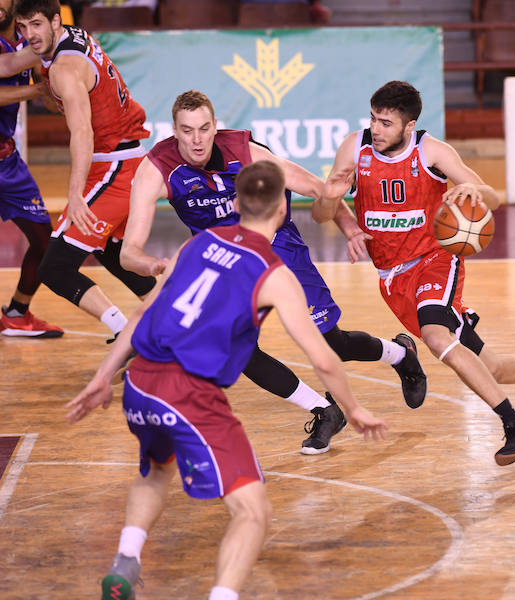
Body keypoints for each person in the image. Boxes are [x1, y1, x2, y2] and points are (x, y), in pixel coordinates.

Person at [66, 160, 387, 600]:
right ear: (281, 210)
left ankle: (126, 560)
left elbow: (141, 313)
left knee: (157, 468)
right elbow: (325, 361)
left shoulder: (198, 243)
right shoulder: (273, 273)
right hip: (189, 395)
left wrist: (103, 377)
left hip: (139, 383)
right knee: (253, 514)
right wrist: (353, 408)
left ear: (234, 204)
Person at [120, 90, 426, 454]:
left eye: (204, 129)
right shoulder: (156, 168)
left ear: (215, 126)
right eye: (187, 131)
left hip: (276, 243)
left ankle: (400, 354)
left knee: (331, 343)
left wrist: (350, 229)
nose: (197, 140)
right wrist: (155, 265)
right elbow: (128, 253)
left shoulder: (245, 151)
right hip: (224, 259)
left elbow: (318, 188)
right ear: (173, 130)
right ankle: (324, 409)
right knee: (239, 350)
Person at [316, 80, 515, 466]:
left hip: (435, 260)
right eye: (373, 120)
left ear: (409, 125)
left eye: (386, 123)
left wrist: (473, 193)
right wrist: (330, 198)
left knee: (435, 336)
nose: (376, 129)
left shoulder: (432, 151)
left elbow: (492, 196)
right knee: (489, 365)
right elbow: (321, 215)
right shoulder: (354, 148)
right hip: (392, 278)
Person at [14, 0, 157, 343]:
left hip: (114, 166)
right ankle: (167, 324)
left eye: (34, 25)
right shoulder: (62, 38)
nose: (28, 35)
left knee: (56, 267)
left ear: (54, 21)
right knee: (111, 251)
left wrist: (76, 194)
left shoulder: (65, 67)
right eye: (22, 27)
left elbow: (82, 133)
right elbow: (9, 63)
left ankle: (127, 332)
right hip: (123, 159)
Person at [0, 0, 62, 337]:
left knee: (45, 241)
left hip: (7, 160)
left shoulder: (28, 41)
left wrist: (53, 92)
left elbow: (48, 93)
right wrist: (38, 90)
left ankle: (17, 313)